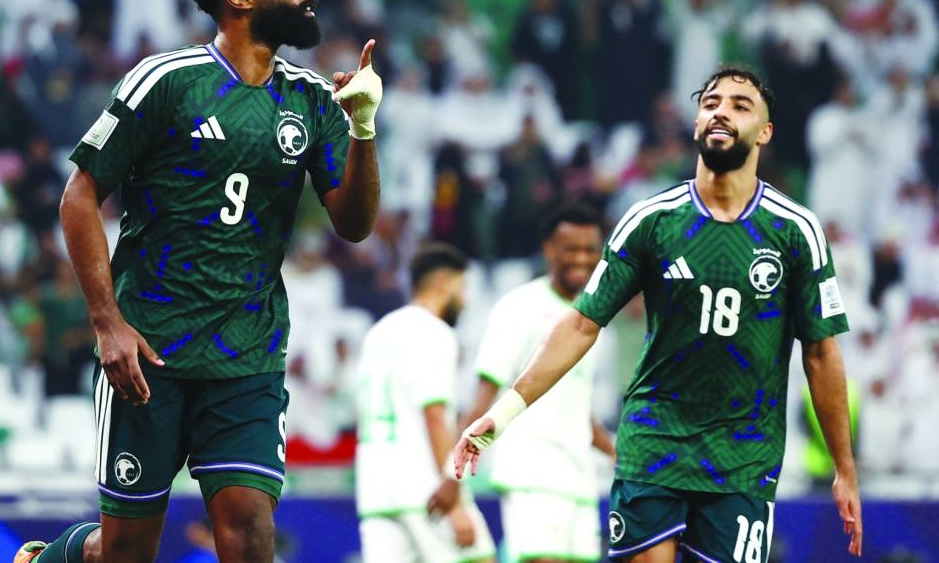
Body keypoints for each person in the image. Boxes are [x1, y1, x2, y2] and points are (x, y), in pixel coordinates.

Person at [14, 0, 382, 563]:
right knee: (126, 551)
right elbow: (78, 196)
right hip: (149, 353)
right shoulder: (167, 81)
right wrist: (107, 323)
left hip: (248, 354)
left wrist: (364, 128)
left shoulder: (312, 99)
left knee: (249, 532)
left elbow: (353, 225)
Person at [455, 68, 863, 562]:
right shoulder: (651, 220)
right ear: (696, 124)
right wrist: (500, 415)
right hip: (655, 445)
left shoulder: (795, 231)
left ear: (765, 132)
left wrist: (844, 467)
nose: (721, 111)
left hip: (743, 458)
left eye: (740, 105)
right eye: (711, 102)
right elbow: (583, 323)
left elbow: (821, 352)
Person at [462, 201, 615, 563]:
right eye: (571, 249)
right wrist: (458, 467)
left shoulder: (592, 319)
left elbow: (575, 405)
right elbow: (487, 389)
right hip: (533, 473)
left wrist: (614, 454)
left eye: (590, 250)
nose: (582, 258)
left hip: (580, 479)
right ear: (549, 250)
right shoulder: (519, 307)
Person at [355, 242, 495, 563]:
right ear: (444, 284)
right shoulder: (433, 333)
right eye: (462, 288)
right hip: (425, 491)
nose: (465, 299)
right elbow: (434, 416)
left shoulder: (377, 333)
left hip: (375, 493)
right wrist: (454, 498)